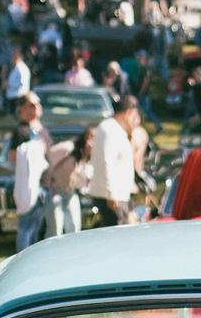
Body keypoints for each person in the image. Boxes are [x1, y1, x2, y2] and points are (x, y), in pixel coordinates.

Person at [88, 94, 142, 224]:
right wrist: (111, 195)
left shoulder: (116, 129)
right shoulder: (109, 129)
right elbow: (106, 163)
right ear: (128, 113)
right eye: (135, 117)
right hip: (111, 197)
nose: (136, 121)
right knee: (118, 238)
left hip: (119, 194)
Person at [47, 126, 93, 234]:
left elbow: (85, 182)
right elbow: (48, 161)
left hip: (70, 194)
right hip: (55, 192)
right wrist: (49, 183)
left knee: (74, 227)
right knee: (55, 229)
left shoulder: (89, 159)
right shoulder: (68, 148)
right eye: (91, 137)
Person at [10, 119, 49, 249]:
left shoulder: (27, 150)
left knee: (32, 229)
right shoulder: (28, 149)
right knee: (26, 228)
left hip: (32, 191)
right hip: (30, 191)